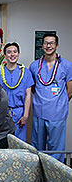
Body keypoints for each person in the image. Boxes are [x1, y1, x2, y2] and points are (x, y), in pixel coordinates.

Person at [29, 33, 72, 162]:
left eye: (52, 43)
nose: (49, 46)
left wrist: (60, 103)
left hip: (57, 113)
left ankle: (55, 177)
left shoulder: (66, 65)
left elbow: (70, 89)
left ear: (57, 45)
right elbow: (32, 87)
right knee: (37, 147)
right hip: (39, 112)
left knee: (56, 148)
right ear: (42, 46)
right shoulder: (34, 66)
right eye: (46, 43)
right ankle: (38, 176)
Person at [0, 42, 34, 141]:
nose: (12, 54)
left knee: (19, 143)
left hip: (18, 113)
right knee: (2, 142)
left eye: (15, 52)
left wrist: (25, 115)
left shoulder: (25, 72)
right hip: (2, 113)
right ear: (4, 55)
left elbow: (28, 95)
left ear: (18, 54)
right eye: (9, 52)